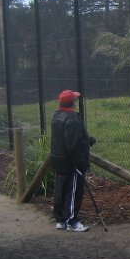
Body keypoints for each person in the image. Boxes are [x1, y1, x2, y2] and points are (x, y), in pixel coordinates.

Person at [50, 89, 95, 233]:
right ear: (72, 103)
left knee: (60, 188)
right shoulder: (73, 119)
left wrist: (87, 140)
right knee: (73, 190)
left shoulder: (56, 116)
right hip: (71, 162)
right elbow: (73, 144)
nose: (76, 102)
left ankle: (61, 220)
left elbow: (67, 138)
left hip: (58, 159)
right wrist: (79, 163)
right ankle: (72, 221)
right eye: (75, 100)